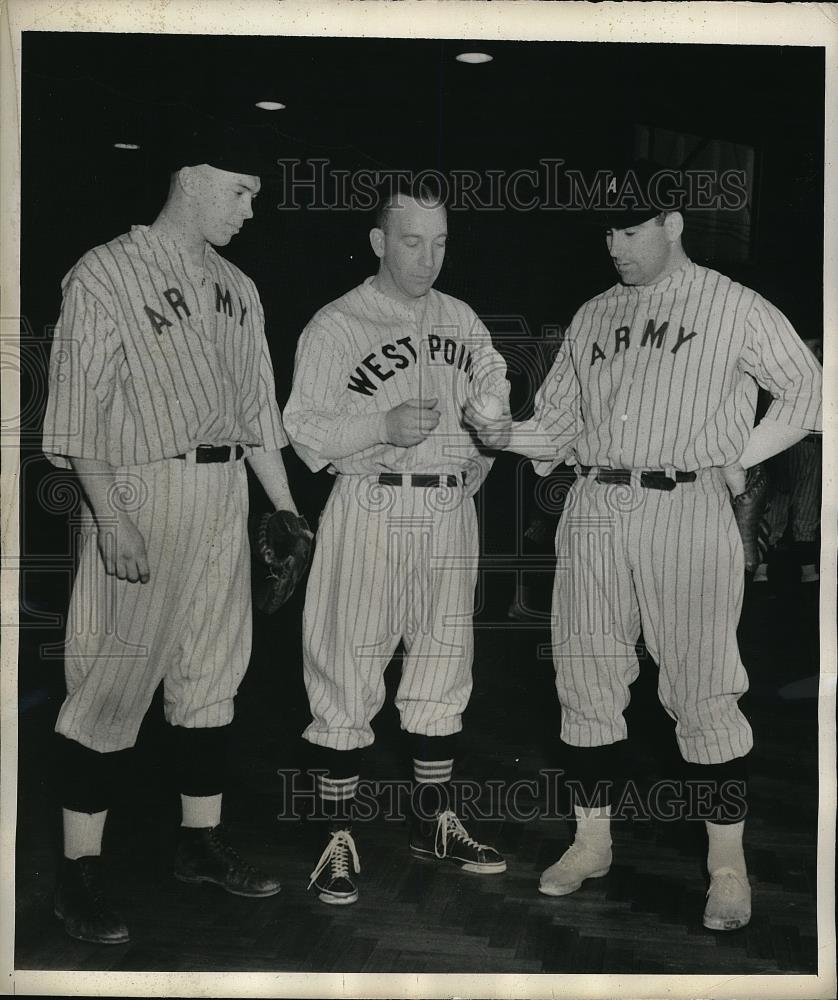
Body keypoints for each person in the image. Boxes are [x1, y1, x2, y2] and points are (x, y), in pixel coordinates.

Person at [465, 161, 822, 931]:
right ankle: (592, 842)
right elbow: (557, 426)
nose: (615, 246)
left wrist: (743, 454)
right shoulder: (592, 314)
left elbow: (810, 390)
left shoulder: (735, 305)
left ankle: (727, 866)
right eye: (606, 231)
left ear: (673, 224)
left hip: (687, 506)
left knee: (703, 689)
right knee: (585, 680)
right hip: (594, 503)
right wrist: (501, 432)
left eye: (630, 230)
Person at [41, 121, 302, 944]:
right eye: (240, 189)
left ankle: (200, 845)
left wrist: (287, 508)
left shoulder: (240, 285)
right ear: (190, 178)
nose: (251, 208)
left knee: (211, 675)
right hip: (141, 487)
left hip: (225, 490)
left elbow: (259, 413)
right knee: (110, 687)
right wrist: (109, 516)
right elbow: (78, 411)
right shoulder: (105, 273)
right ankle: (77, 876)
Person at [283, 178, 510, 906]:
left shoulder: (464, 318)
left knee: (443, 671)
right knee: (347, 667)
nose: (428, 258)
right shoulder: (336, 324)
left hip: (446, 512)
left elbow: (494, 398)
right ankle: (336, 840)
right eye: (412, 242)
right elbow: (303, 427)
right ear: (380, 241)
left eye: (440, 243)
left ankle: (434, 821)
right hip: (371, 505)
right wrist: (379, 428)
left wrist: (485, 440)